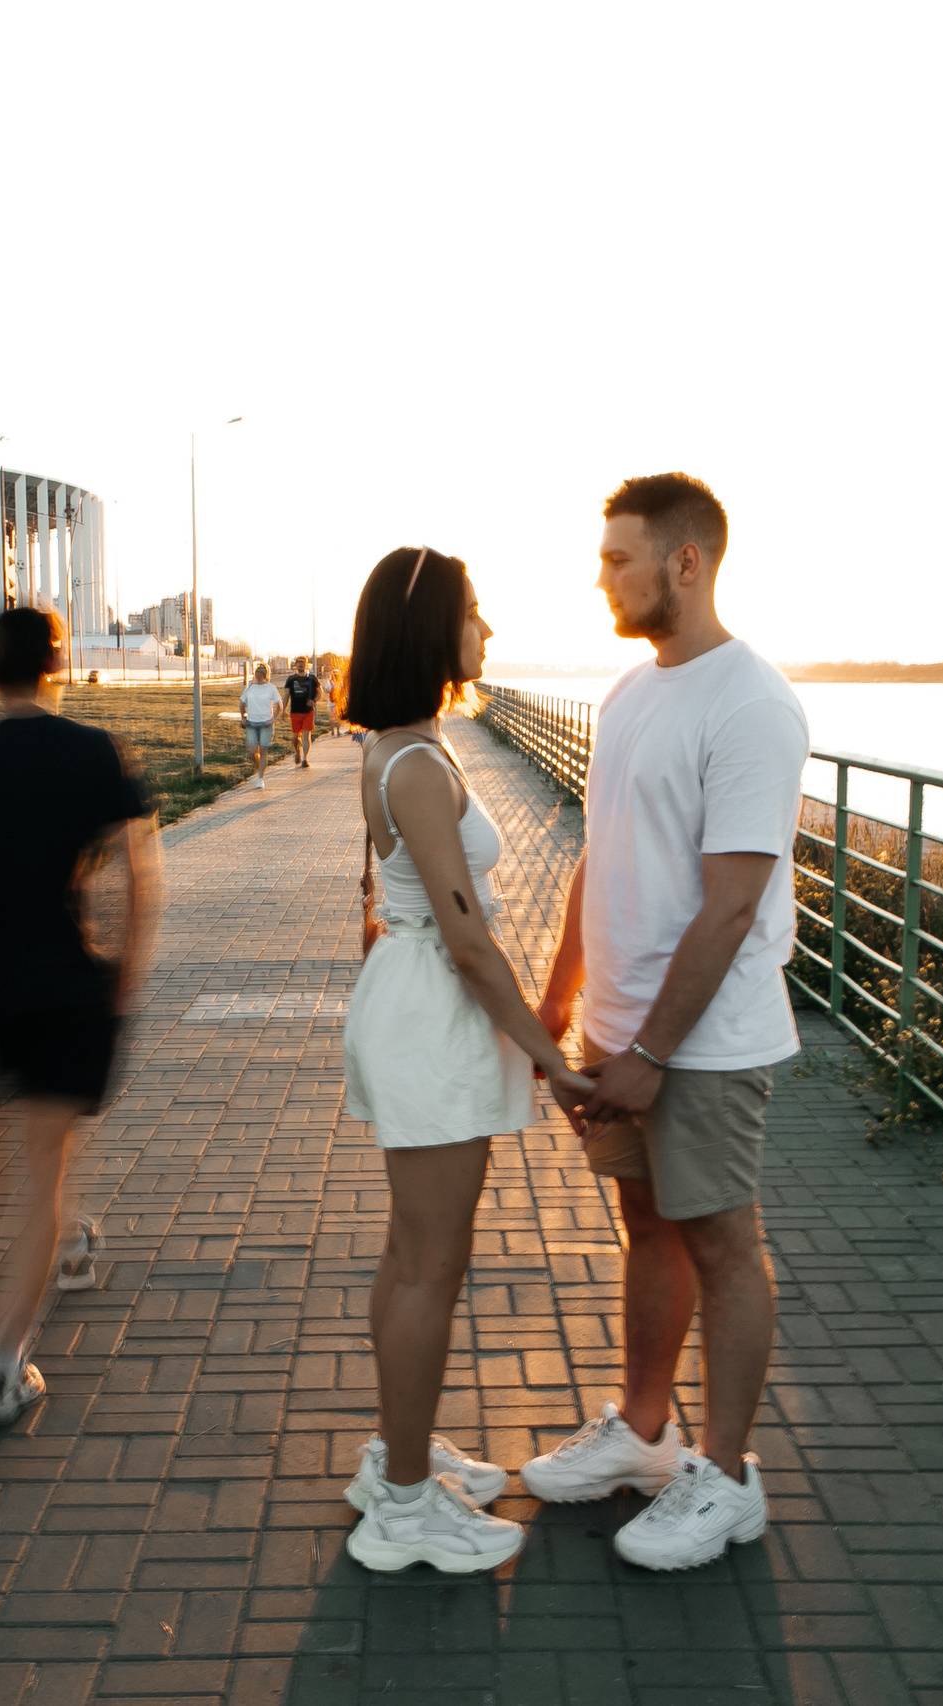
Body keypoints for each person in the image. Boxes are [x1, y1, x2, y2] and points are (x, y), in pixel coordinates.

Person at [524, 473, 810, 1570]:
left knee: (724, 1243)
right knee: (647, 1227)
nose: (602, 576)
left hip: (706, 1043)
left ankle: (727, 1478)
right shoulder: (628, 694)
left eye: (618, 557)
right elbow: (601, 853)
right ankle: (644, 1435)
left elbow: (733, 903)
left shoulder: (751, 704)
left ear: (684, 562)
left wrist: (651, 1051)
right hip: (620, 1027)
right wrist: (561, 993)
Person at [337, 546, 595, 1575]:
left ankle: (394, 1454)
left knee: (412, 1253)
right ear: (429, 631)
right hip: (432, 1013)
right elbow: (469, 941)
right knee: (430, 1267)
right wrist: (549, 1053)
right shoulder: (414, 765)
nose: (487, 630)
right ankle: (405, 1504)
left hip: (417, 1003)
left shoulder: (406, 747)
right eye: (473, 612)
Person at [0, 608, 162, 1426]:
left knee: (26, 1154)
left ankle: (62, 1242)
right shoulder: (95, 751)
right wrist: (127, 968)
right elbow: (141, 871)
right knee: (44, 1171)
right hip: (68, 985)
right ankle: (2, 1363)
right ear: (55, 665)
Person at [239, 664, 281, 787]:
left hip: (265, 723)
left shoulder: (271, 688)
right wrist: (243, 717)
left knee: (263, 749)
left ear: (266, 674)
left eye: (262, 672)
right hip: (251, 723)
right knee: (253, 750)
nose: (259, 674)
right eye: (257, 671)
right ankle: (259, 768)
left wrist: (273, 720)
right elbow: (242, 703)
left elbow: (279, 706)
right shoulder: (250, 687)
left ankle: (260, 778)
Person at [281, 656, 321, 768]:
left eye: (302, 662)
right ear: (295, 665)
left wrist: (314, 701)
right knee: (295, 737)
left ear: (306, 664)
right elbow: (286, 695)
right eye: (298, 662)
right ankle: (297, 750)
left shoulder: (312, 678)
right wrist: (283, 710)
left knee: (306, 735)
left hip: (308, 711)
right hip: (295, 711)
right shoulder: (291, 679)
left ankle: (305, 759)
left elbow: (319, 692)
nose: (300, 664)